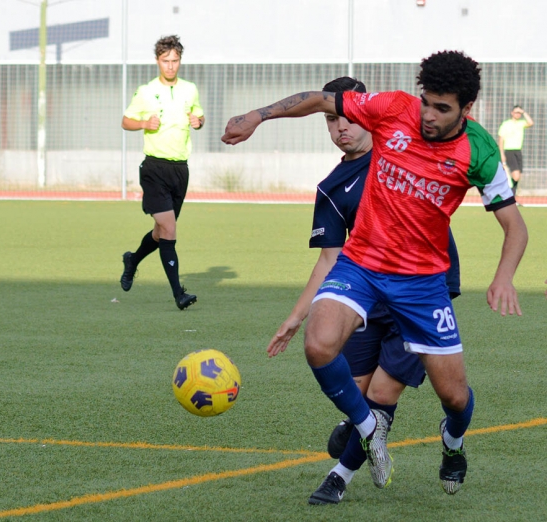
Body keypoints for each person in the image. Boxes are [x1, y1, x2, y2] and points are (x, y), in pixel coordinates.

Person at [223, 51, 528, 495]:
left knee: (455, 398)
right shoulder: (394, 108)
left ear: (466, 109)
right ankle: (368, 428)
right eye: (427, 101)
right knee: (318, 344)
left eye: (442, 108)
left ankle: (453, 441)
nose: (428, 115)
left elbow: (514, 227)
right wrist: (257, 116)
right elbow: (323, 101)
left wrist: (504, 277)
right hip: (363, 262)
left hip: (423, 285)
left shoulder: (478, 150)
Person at [266, 76, 461, 505]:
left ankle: (339, 477)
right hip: (365, 293)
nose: (341, 128)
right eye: (332, 120)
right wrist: (295, 318)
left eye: (348, 118)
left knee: (381, 395)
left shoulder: (403, 149)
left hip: (421, 289)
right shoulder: (331, 188)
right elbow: (329, 258)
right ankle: (362, 430)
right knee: (353, 396)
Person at [120, 35, 205, 310]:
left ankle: (132, 260)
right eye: (165, 61)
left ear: (180, 61)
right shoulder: (146, 91)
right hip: (154, 168)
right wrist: (144, 122)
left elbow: (199, 116)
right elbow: (126, 121)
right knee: (170, 229)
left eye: (175, 60)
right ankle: (178, 293)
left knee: (160, 233)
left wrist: (199, 121)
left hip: (180, 170)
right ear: (158, 61)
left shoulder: (190, 89)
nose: (170, 66)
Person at [497, 105, 534, 196]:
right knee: (515, 176)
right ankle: (508, 194)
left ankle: (512, 197)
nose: (518, 114)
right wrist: (501, 153)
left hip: (518, 151)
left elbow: (530, 123)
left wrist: (523, 112)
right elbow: (501, 139)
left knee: (518, 176)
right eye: (516, 112)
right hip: (509, 151)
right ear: (512, 113)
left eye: (519, 113)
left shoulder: (521, 123)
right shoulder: (506, 124)